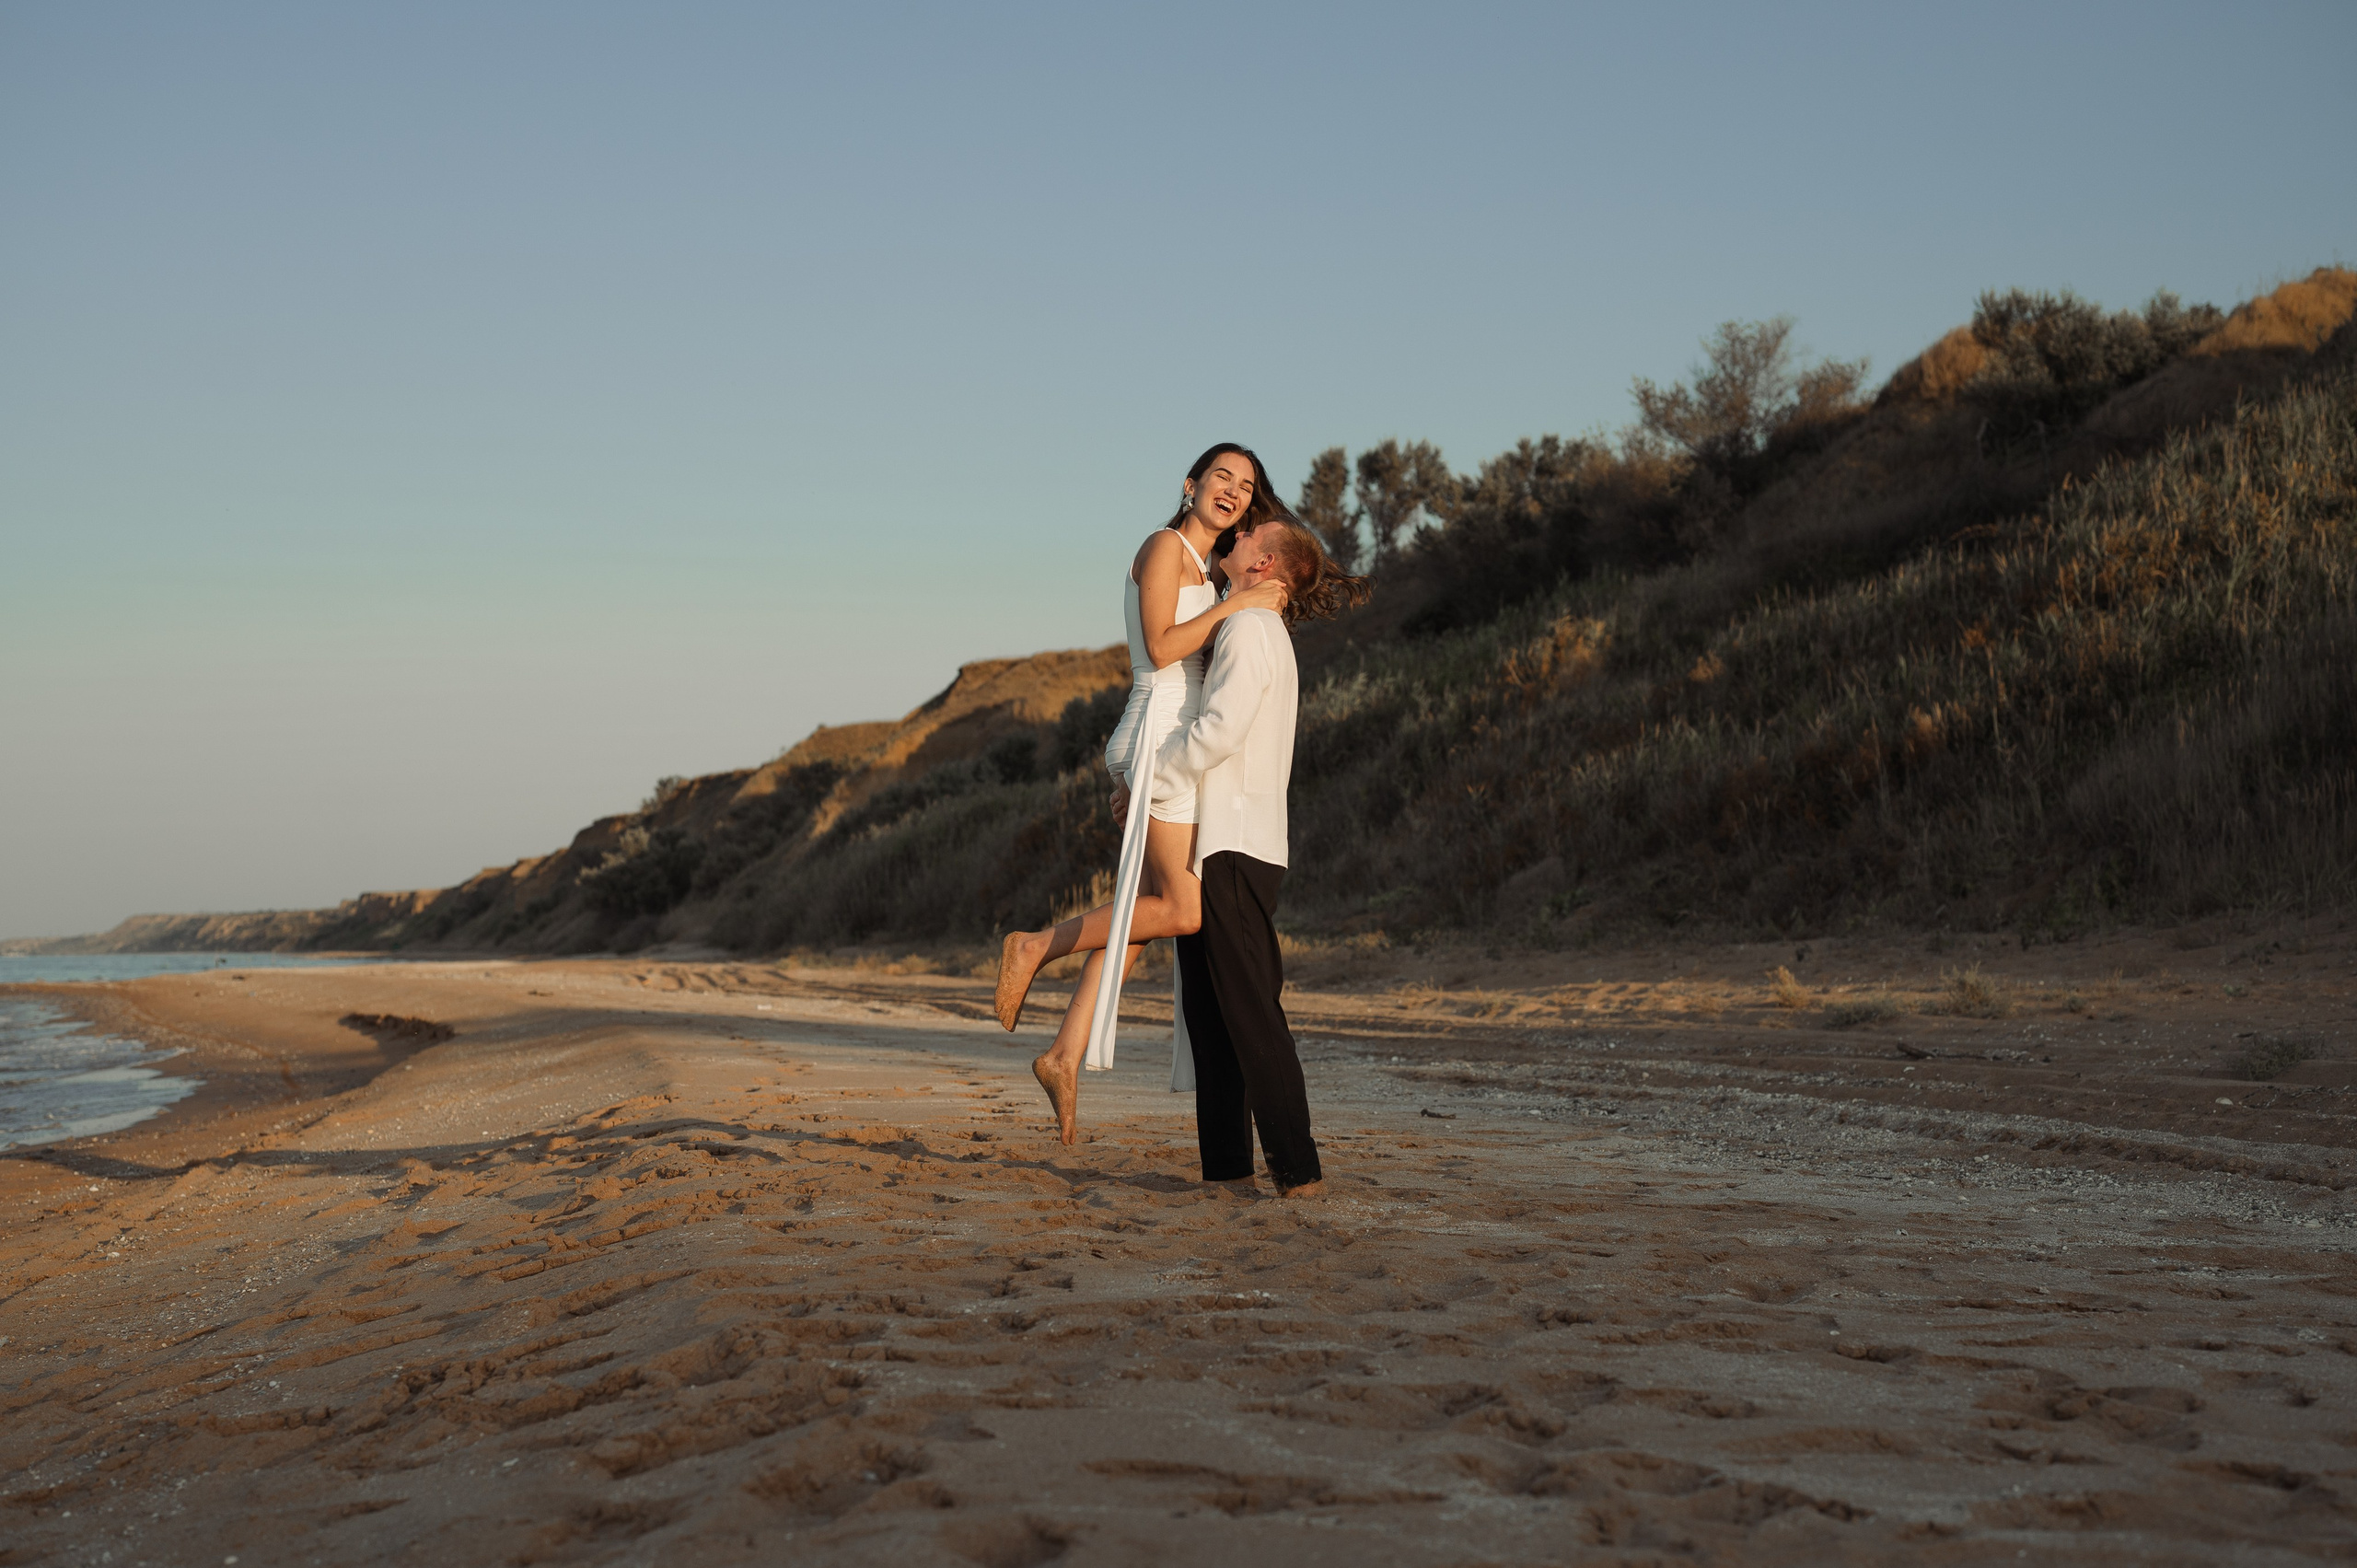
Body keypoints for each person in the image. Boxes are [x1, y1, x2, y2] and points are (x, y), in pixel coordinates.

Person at [993, 445, 1289, 1144]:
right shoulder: (1163, 547)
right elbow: (1160, 649)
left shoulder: (1210, 572)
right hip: (1158, 731)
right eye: (1222, 476)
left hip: (1166, 747)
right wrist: (1241, 602)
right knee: (1183, 909)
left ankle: (1064, 1054)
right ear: (1190, 485)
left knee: (1145, 911)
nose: (1234, 491)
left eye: (1246, 486)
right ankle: (1035, 945)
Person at [1139, 515, 1367, 1197]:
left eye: (1246, 538)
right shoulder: (1252, 627)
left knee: (1250, 1013)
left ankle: (1299, 1174)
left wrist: (1154, 776)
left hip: (1233, 844)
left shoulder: (1247, 628)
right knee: (1213, 1018)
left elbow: (1219, 729)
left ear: (1263, 564)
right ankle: (1228, 1172)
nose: (1232, 538)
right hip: (1226, 839)